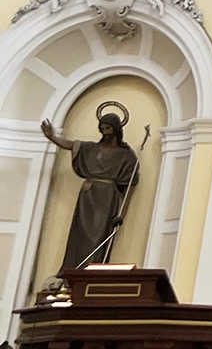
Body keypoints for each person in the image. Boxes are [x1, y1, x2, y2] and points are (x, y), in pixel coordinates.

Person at [40, 108, 139, 269]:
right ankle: (71, 269)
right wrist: (53, 137)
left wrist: (122, 213)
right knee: (79, 235)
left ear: (116, 129)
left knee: (97, 237)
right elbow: (71, 145)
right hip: (87, 197)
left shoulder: (127, 155)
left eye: (108, 128)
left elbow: (129, 187)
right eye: (102, 128)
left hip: (107, 199)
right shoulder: (91, 148)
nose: (105, 132)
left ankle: (90, 270)